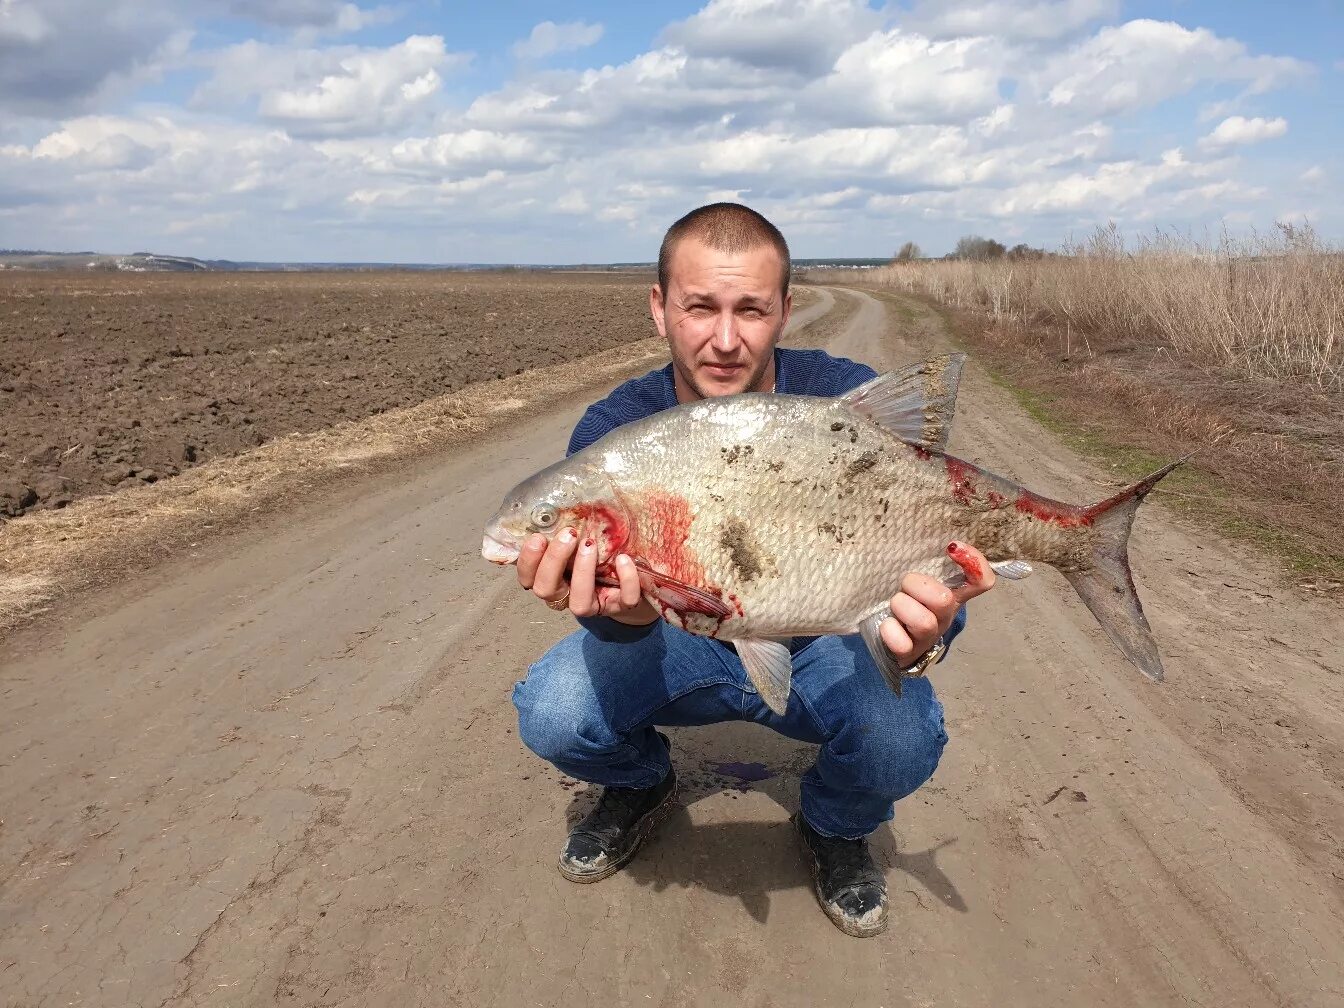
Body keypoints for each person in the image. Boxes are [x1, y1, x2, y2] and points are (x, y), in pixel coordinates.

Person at [510, 203, 996, 938]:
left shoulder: (840, 398)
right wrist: (625, 615)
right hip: (681, 644)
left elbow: (926, 551)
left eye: (752, 310)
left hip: (823, 643)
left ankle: (834, 824)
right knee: (554, 708)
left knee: (901, 735)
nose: (726, 340)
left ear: (786, 311)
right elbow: (610, 623)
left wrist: (927, 636)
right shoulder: (614, 436)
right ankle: (641, 783)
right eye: (700, 308)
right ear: (660, 308)